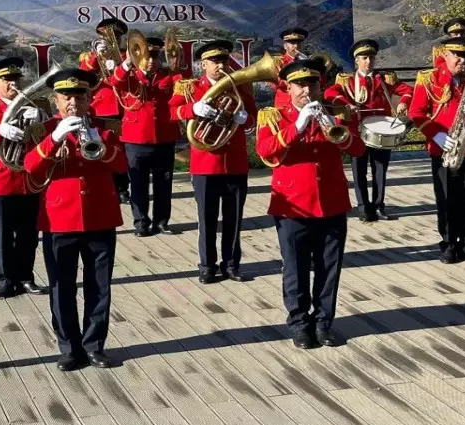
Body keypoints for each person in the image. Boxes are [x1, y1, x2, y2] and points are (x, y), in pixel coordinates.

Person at [23, 68, 127, 372]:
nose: (73, 102)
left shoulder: (105, 128)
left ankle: (94, 345)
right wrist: (55, 138)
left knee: (99, 286)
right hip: (59, 219)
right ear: (56, 100)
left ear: (89, 98)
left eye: (79, 96)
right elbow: (31, 168)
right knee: (61, 287)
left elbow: (121, 164)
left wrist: (98, 142)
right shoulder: (44, 131)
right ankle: (69, 347)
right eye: (66, 97)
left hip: (100, 216)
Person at [257, 59, 365, 348]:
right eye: (300, 85)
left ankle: (324, 322)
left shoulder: (335, 111)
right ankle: (299, 323)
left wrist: (333, 126)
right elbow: (265, 151)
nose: (307, 90)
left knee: (330, 267)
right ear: (288, 88)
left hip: (331, 201)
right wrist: (297, 125)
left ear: (321, 86)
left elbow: (357, 148)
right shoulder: (273, 116)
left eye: (312, 84)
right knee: (296, 266)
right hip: (293, 204)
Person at [408, 36, 465, 263]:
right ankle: (449, 244)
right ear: (446, 55)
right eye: (457, 55)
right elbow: (416, 113)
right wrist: (436, 134)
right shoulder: (429, 79)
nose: (463, 60)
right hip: (444, 148)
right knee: (447, 198)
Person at [170, 40, 257, 283]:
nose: (220, 66)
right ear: (203, 64)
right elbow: (171, 111)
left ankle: (231, 264)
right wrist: (193, 109)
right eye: (214, 62)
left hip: (235, 163)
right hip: (205, 164)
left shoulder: (240, 88)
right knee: (207, 219)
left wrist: (244, 119)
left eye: (224, 61)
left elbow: (253, 120)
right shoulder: (190, 88)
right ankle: (207, 266)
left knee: (234, 218)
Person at [0, 57, 50, 298]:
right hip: (0, 180)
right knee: (2, 235)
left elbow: (47, 140)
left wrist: (43, 119)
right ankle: (5, 279)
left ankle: (26, 277)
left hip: (29, 179)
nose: (13, 84)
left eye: (15, 79)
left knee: (29, 235)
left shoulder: (35, 106)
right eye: (7, 80)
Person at [112, 36, 182, 237]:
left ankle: (161, 222)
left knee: (164, 183)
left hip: (164, 137)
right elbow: (115, 80)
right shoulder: (130, 75)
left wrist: (178, 62)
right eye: (146, 56)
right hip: (136, 139)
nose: (151, 61)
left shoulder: (168, 76)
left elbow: (185, 82)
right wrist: (127, 62)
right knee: (138, 184)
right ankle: (141, 222)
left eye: (155, 56)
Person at [325, 38, 400, 221]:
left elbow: (406, 90)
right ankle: (362, 206)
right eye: (364, 58)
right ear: (356, 60)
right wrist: (346, 104)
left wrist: (403, 103)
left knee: (380, 169)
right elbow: (329, 93)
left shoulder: (383, 80)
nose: (368, 62)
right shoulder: (348, 81)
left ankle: (379, 205)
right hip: (357, 132)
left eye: (371, 58)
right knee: (359, 170)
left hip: (380, 132)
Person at [79, 17, 130, 204]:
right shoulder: (90, 56)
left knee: (121, 149)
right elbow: (84, 76)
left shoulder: (127, 56)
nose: (112, 40)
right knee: (104, 147)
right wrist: (95, 57)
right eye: (108, 36)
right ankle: (104, 184)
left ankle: (123, 188)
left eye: (116, 36)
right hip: (101, 107)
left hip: (124, 106)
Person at [273, 27, 310, 108]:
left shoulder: (307, 61)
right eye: (292, 43)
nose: (296, 46)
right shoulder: (278, 62)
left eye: (299, 43)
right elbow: (274, 84)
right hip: (286, 105)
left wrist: (308, 64)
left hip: (306, 103)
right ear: (285, 46)